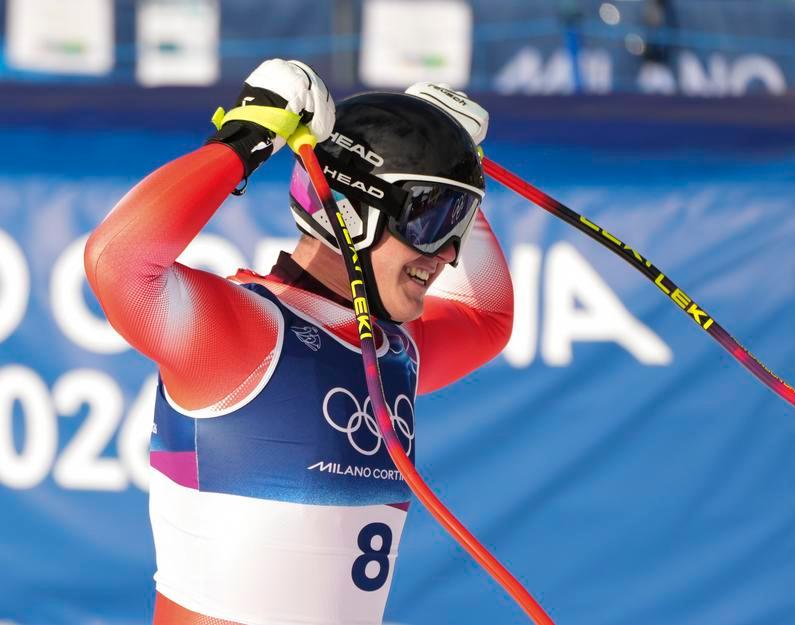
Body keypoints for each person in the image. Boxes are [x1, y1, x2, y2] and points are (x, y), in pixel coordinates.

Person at [84, 59, 513, 625]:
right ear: (351, 215)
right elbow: (117, 263)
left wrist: (449, 153)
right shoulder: (249, 336)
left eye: (457, 224)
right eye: (432, 223)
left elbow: (487, 317)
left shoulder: (393, 351)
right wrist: (246, 137)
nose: (450, 255)